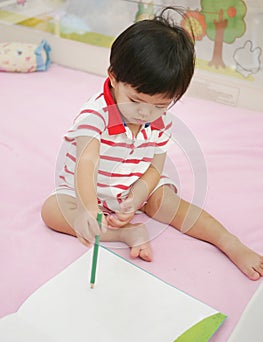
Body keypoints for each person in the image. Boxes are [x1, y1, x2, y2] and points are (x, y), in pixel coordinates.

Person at [41, 7, 263, 280]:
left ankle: (229, 242)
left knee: (167, 202)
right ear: (113, 78)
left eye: (160, 105)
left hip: (133, 181)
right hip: (87, 187)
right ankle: (124, 232)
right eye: (135, 100)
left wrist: (136, 196)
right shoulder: (95, 116)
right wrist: (89, 208)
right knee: (52, 212)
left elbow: (155, 167)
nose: (145, 113)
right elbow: (87, 161)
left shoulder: (161, 121)